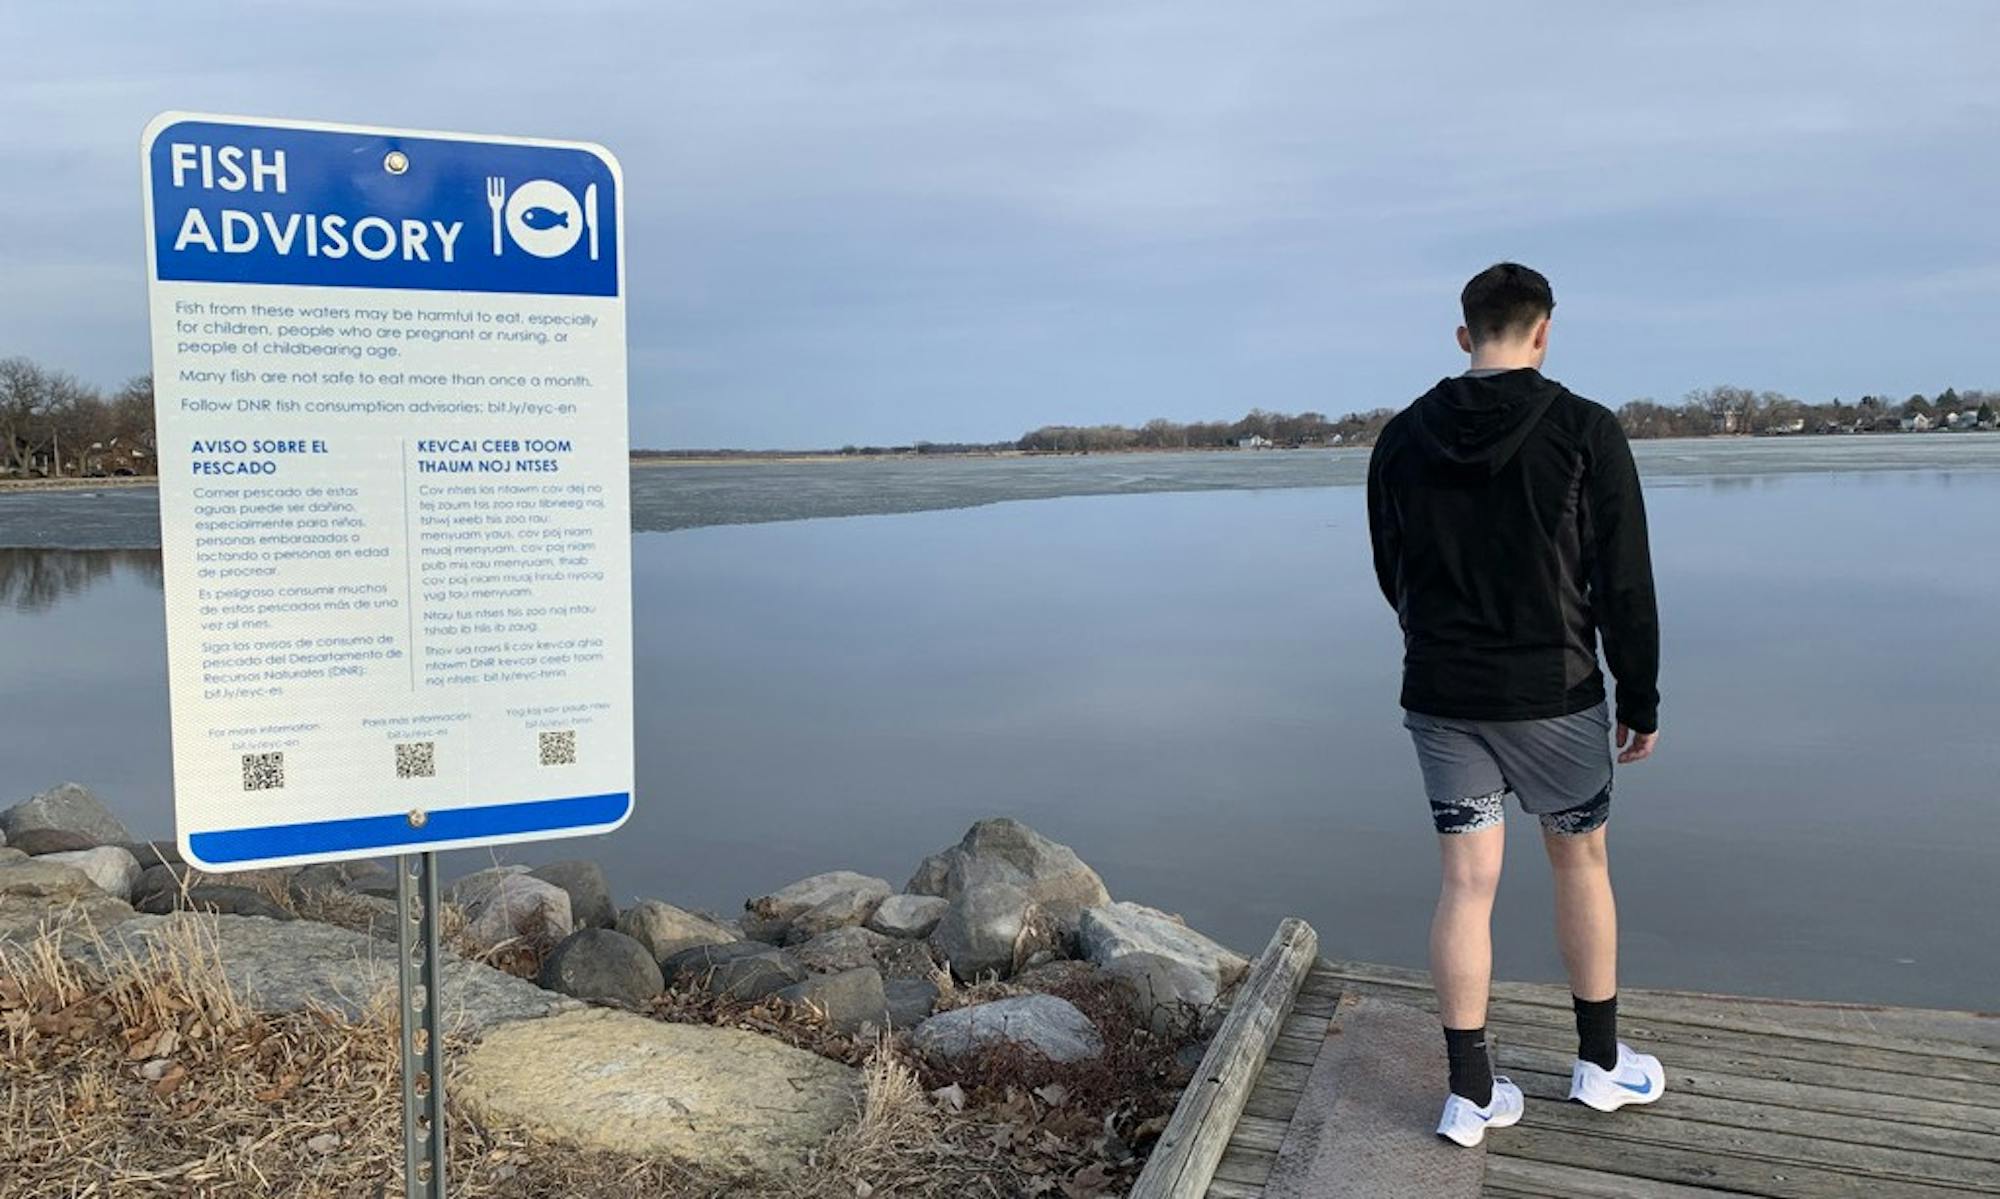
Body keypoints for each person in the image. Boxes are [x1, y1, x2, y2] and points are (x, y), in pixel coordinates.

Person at [1365, 262, 1665, 1147]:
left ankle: (1469, 1093)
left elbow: (1394, 570)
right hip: (1555, 695)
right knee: (1581, 865)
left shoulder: (1401, 438)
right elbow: (1625, 581)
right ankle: (1601, 1066)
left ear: (1466, 336)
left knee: (1465, 883)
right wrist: (1639, 693)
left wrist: (1441, 642)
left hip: (1444, 695)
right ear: (1543, 332)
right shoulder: (1585, 429)